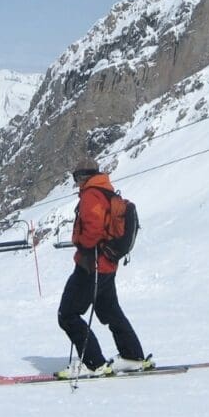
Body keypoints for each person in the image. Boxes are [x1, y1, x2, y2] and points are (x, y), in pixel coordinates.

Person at [56, 158, 151, 379]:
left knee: (68, 314)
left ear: (83, 176)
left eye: (77, 178)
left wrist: (84, 246)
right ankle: (133, 356)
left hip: (91, 266)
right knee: (109, 311)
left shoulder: (92, 195)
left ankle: (93, 363)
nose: (77, 183)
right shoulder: (107, 191)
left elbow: (93, 229)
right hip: (107, 266)